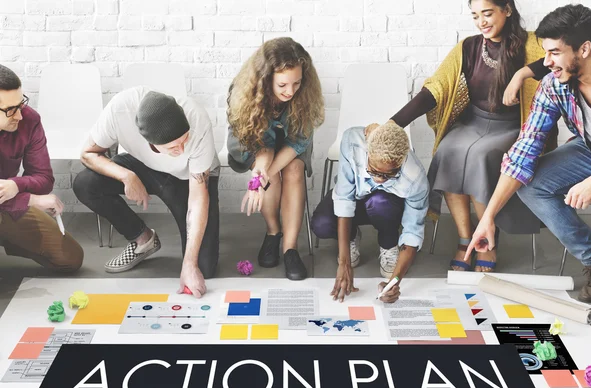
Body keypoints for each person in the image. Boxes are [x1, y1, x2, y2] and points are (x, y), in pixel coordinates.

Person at [381, 0, 555, 273]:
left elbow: (561, 57)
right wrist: (393, 123)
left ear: (507, 10)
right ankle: (466, 238)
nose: (481, 22)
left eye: (487, 13)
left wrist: (523, 73)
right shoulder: (469, 47)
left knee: (479, 155)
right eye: (475, 16)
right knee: (447, 150)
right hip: (473, 122)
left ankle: (487, 238)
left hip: (513, 126)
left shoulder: (533, 43)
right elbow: (435, 88)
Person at [467, 4, 591, 303]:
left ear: (584, 49)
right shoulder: (555, 86)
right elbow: (525, 148)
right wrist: (488, 217)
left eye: (554, 52)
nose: (546, 62)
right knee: (532, 185)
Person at [73, 86, 220, 297]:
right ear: (150, 142)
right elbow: (87, 154)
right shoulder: (119, 110)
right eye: (173, 147)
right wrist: (127, 176)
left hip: (189, 176)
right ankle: (143, 239)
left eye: (184, 140)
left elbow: (198, 198)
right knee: (85, 183)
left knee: (203, 267)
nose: (181, 149)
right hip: (144, 166)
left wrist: (189, 264)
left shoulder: (197, 120)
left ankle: (191, 261)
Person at [226, 37, 324, 281]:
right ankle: (273, 232)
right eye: (282, 85)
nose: (290, 91)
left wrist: (264, 175)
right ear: (265, 78)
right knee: (270, 173)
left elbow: (299, 141)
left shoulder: (305, 95)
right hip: (252, 143)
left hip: (292, 143)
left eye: (297, 83)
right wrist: (262, 172)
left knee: (293, 170)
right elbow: (260, 146)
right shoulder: (243, 93)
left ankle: (289, 248)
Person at [311, 122, 429, 303]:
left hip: (386, 209)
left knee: (379, 201)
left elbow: (412, 233)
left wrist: (394, 282)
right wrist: (344, 262)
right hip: (356, 198)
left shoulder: (416, 179)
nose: (379, 179)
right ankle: (351, 236)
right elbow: (344, 198)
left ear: (402, 161)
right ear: (367, 152)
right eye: (373, 170)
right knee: (322, 224)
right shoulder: (352, 142)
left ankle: (389, 244)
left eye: (389, 175)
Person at [0, 64, 83, 272]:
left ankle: (9, 237)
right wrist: (31, 199)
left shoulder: (29, 119)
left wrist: (15, 186)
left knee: (70, 257)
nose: (19, 115)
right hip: (14, 202)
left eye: (21, 104)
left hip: (9, 203)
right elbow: (35, 195)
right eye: (10, 110)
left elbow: (43, 178)